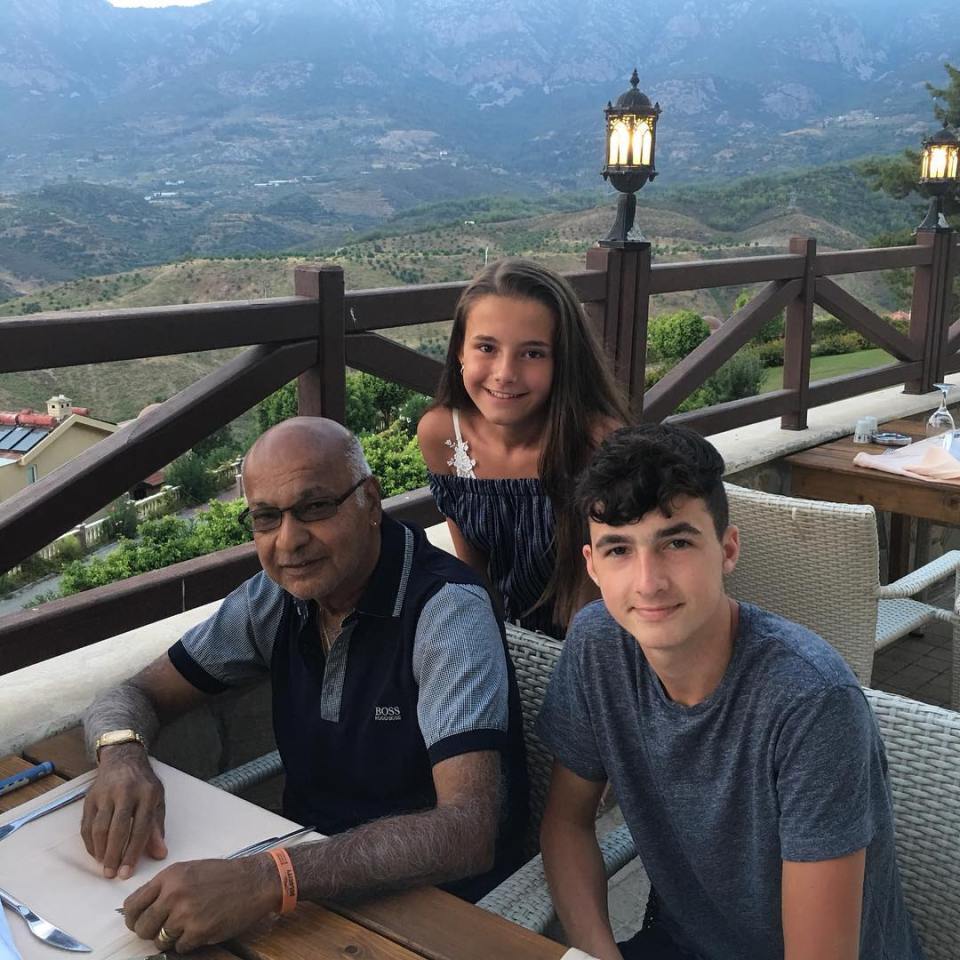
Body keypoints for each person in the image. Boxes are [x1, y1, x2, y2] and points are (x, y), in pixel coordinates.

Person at [82, 417, 528, 955]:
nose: (288, 541)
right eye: (266, 517)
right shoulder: (278, 599)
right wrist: (120, 754)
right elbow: (134, 694)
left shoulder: (446, 611)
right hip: (303, 887)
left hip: (431, 911)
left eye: (314, 507)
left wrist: (271, 878)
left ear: (369, 500)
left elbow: (466, 832)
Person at [536, 423, 924, 960]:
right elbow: (566, 824)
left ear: (728, 549)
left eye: (676, 542)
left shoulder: (811, 703)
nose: (648, 582)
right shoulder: (597, 645)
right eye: (620, 549)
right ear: (593, 567)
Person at [417, 258, 629, 638]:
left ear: (562, 361)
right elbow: (474, 573)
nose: (505, 373)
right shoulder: (442, 435)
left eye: (532, 353)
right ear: (460, 353)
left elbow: (605, 583)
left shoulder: (597, 443)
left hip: (593, 634)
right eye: (486, 347)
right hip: (500, 636)